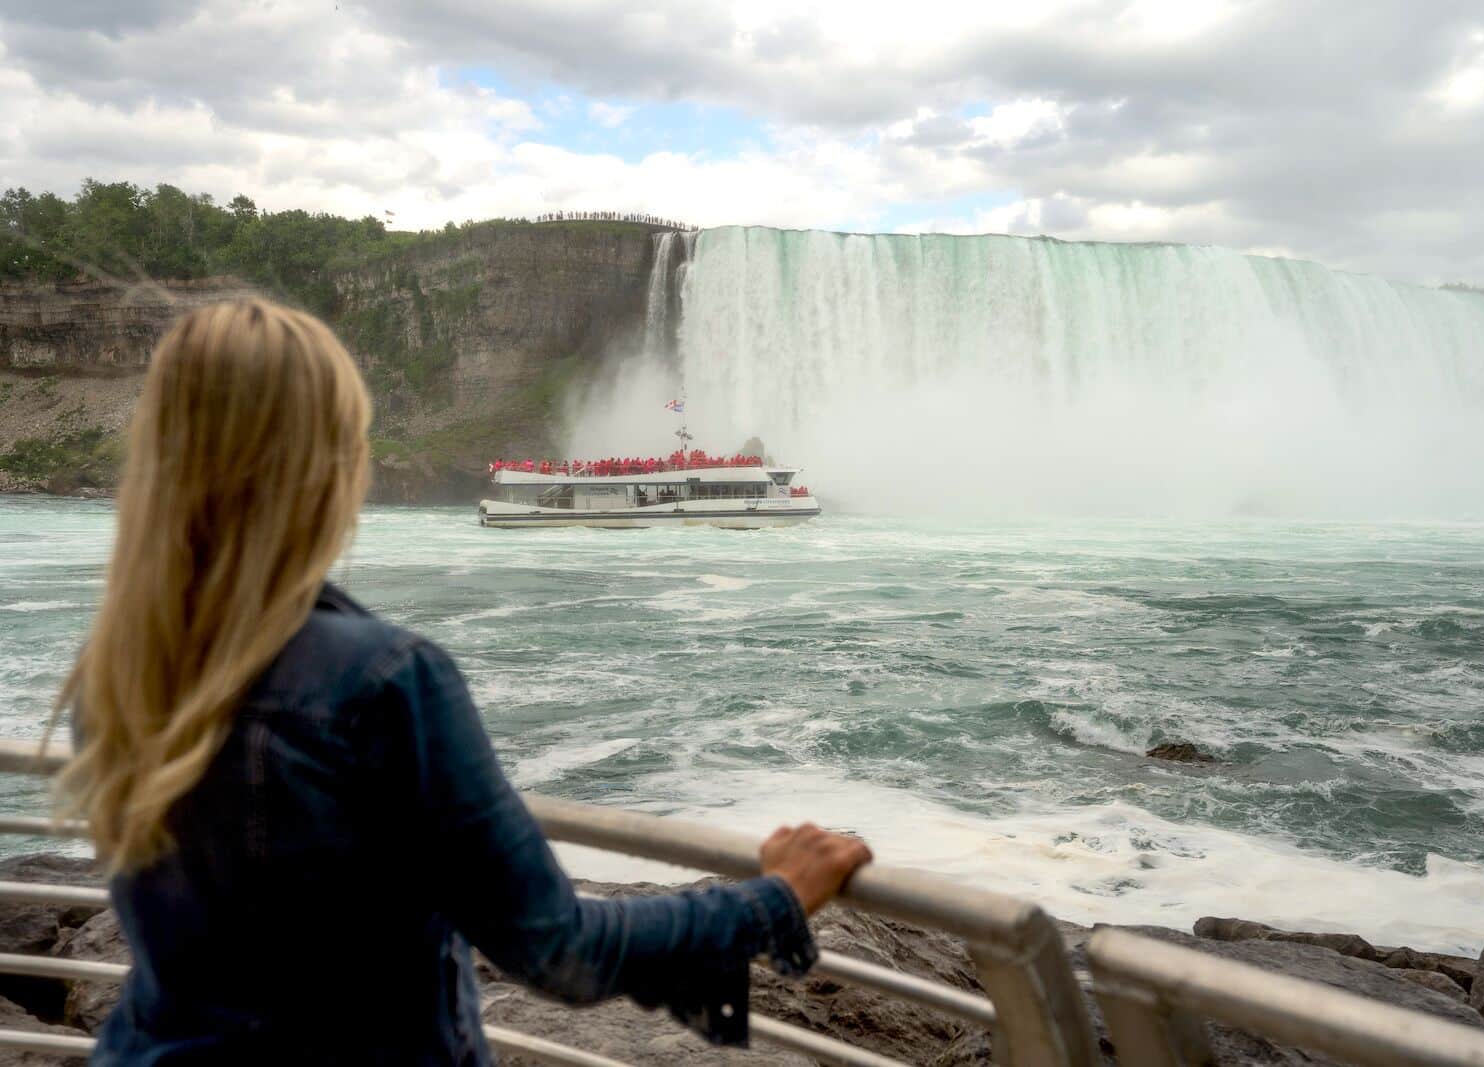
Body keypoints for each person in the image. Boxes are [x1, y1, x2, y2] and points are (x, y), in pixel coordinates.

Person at [50, 299, 871, 1065]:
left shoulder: (116, 669)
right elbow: (561, 947)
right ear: (321, 470)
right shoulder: (384, 680)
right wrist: (773, 900)